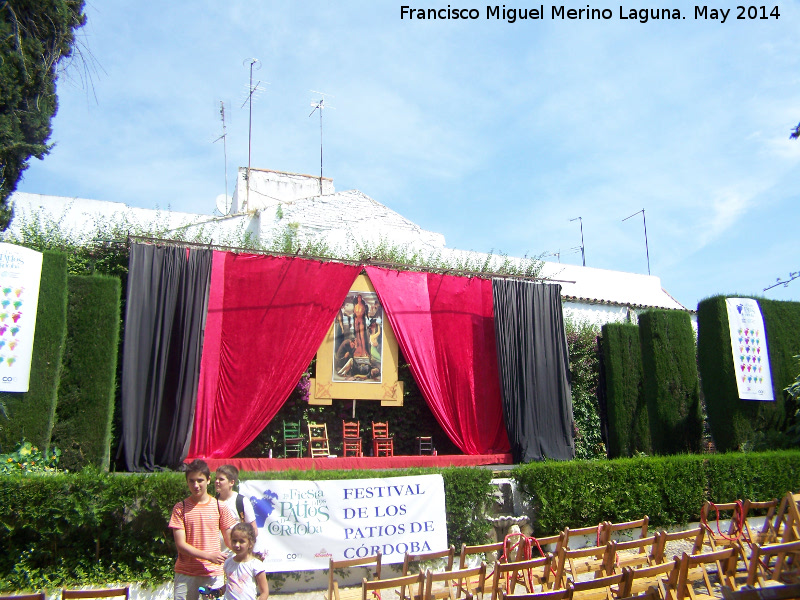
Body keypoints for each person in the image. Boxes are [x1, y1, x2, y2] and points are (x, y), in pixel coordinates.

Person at [169, 459, 238, 600]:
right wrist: (209, 556)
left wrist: (248, 555)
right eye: (191, 481)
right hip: (185, 573)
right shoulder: (180, 508)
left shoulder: (220, 507)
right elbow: (181, 546)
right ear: (187, 482)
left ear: (208, 480)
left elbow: (230, 541)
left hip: (212, 574)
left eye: (200, 480)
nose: (196, 485)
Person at [214, 465, 258, 555]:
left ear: (231, 482)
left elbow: (254, 531)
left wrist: (244, 551)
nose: (217, 482)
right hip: (219, 555)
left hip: (236, 555)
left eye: (221, 479)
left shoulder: (241, 501)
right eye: (216, 479)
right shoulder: (212, 502)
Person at [223, 522, 269, 600]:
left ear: (250, 543)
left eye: (241, 541)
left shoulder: (255, 565)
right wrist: (218, 591)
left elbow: (264, 592)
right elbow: (231, 585)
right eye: (234, 541)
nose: (237, 545)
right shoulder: (228, 563)